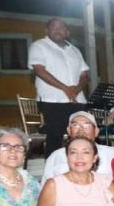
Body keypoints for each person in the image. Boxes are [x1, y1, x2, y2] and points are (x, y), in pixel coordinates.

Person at [27, 18, 89, 155]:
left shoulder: (75, 50)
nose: (57, 30)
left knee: (79, 135)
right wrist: (65, 88)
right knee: (55, 136)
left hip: (77, 100)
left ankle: (76, 167)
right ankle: (52, 170)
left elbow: (84, 74)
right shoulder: (39, 46)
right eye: (54, 27)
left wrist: (76, 89)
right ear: (47, 30)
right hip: (52, 100)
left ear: (67, 32)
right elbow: (39, 70)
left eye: (61, 28)